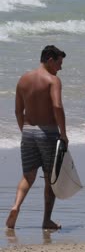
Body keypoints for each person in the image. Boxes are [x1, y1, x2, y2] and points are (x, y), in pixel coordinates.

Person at [6, 45, 68, 229]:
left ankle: (16, 206)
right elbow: (57, 106)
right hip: (48, 133)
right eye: (59, 63)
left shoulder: (23, 80)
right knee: (51, 178)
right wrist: (63, 133)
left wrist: (24, 130)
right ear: (50, 60)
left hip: (28, 132)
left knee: (28, 176)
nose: (60, 68)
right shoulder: (53, 80)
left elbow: (18, 110)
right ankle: (46, 220)